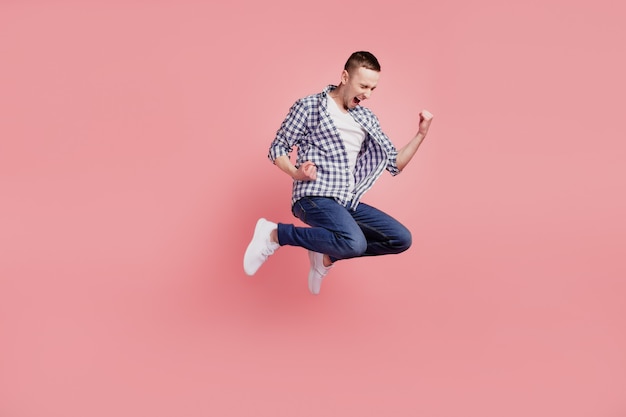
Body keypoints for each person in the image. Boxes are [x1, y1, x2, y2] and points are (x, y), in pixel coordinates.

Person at [243, 51, 433, 295]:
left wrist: (421, 134)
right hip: (313, 196)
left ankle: (326, 256)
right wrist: (295, 172)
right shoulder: (310, 106)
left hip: (345, 201)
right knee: (355, 242)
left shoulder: (365, 118)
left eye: (373, 88)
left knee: (400, 239)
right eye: (363, 85)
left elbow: (395, 162)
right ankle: (274, 234)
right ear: (345, 76)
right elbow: (278, 147)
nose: (367, 94)